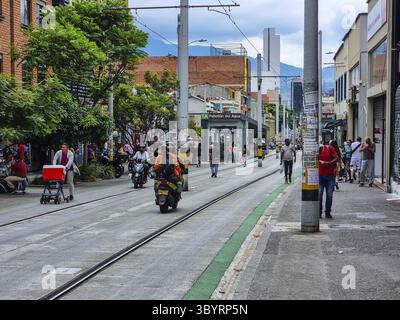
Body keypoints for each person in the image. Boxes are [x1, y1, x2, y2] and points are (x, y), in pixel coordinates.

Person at [319, 140, 339, 219]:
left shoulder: (331, 148)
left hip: (330, 175)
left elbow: (336, 158)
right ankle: (319, 212)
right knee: (319, 195)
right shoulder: (319, 149)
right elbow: (314, 159)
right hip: (320, 175)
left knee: (329, 195)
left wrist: (329, 163)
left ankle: (328, 212)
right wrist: (320, 160)